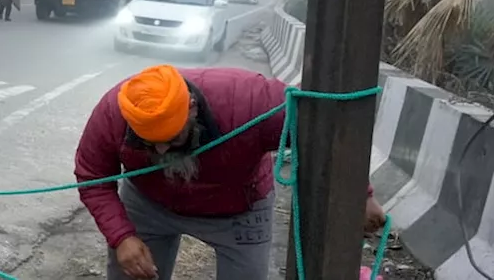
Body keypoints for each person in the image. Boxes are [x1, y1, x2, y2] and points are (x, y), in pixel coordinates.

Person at [75, 64, 387, 280]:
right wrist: (122, 237)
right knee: (131, 271)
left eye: (171, 140)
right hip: (149, 204)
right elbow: (91, 177)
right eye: (149, 143)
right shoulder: (114, 111)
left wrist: (361, 194)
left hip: (239, 208)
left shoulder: (252, 101)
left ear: (193, 108)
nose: (160, 152)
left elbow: (326, 128)